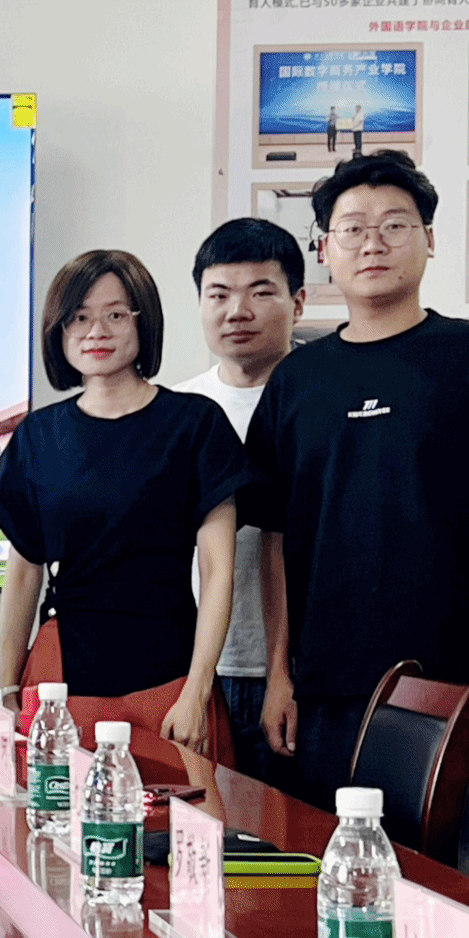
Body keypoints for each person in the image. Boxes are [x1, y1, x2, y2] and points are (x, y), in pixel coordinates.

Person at [245, 151, 469, 885]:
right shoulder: (298, 381)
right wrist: (280, 676)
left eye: (394, 225)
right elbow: (275, 537)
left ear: (430, 240)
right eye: (352, 228)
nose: (372, 242)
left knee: (459, 899)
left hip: (456, 690)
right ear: (325, 249)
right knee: (328, 893)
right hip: (323, 693)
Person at [0, 249, 253, 755]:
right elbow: (22, 574)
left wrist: (197, 690)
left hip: (170, 679)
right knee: (52, 803)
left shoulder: (194, 424)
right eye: (78, 317)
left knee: (188, 806)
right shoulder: (39, 436)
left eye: (115, 315)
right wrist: (9, 687)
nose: (95, 331)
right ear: (59, 330)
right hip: (62, 684)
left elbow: (218, 571)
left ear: (143, 322)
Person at [174, 218, 306, 787]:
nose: (237, 311)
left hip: (304, 677)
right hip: (193, 672)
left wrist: (286, 673)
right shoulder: (175, 411)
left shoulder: (324, 399)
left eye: (260, 292)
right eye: (219, 295)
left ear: (298, 302)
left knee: (297, 835)